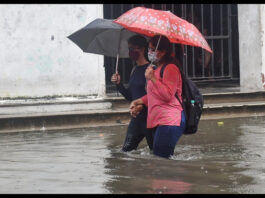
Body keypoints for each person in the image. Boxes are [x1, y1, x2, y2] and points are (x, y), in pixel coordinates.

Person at [129, 35, 186, 159]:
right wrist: (138, 101)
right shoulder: (155, 68)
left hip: (169, 120)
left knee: (161, 161)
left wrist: (153, 78)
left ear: (163, 52)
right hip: (157, 119)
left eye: (153, 49)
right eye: (149, 49)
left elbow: (167, 95)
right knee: (159, 159)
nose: (149, 52)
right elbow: (154, 95)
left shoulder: (171, 68)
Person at [111, 35, 153, 152]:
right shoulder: (134, 70)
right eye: (129, 48)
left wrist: (141, 105)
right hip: (136, 119)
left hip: (150, 119)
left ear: (142, 49)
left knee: (156, 154)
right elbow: (130, 96)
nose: (130, 52)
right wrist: (119, 84)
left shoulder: (150, 70)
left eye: (133, 48)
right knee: (126, 151)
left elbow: (155, 96)